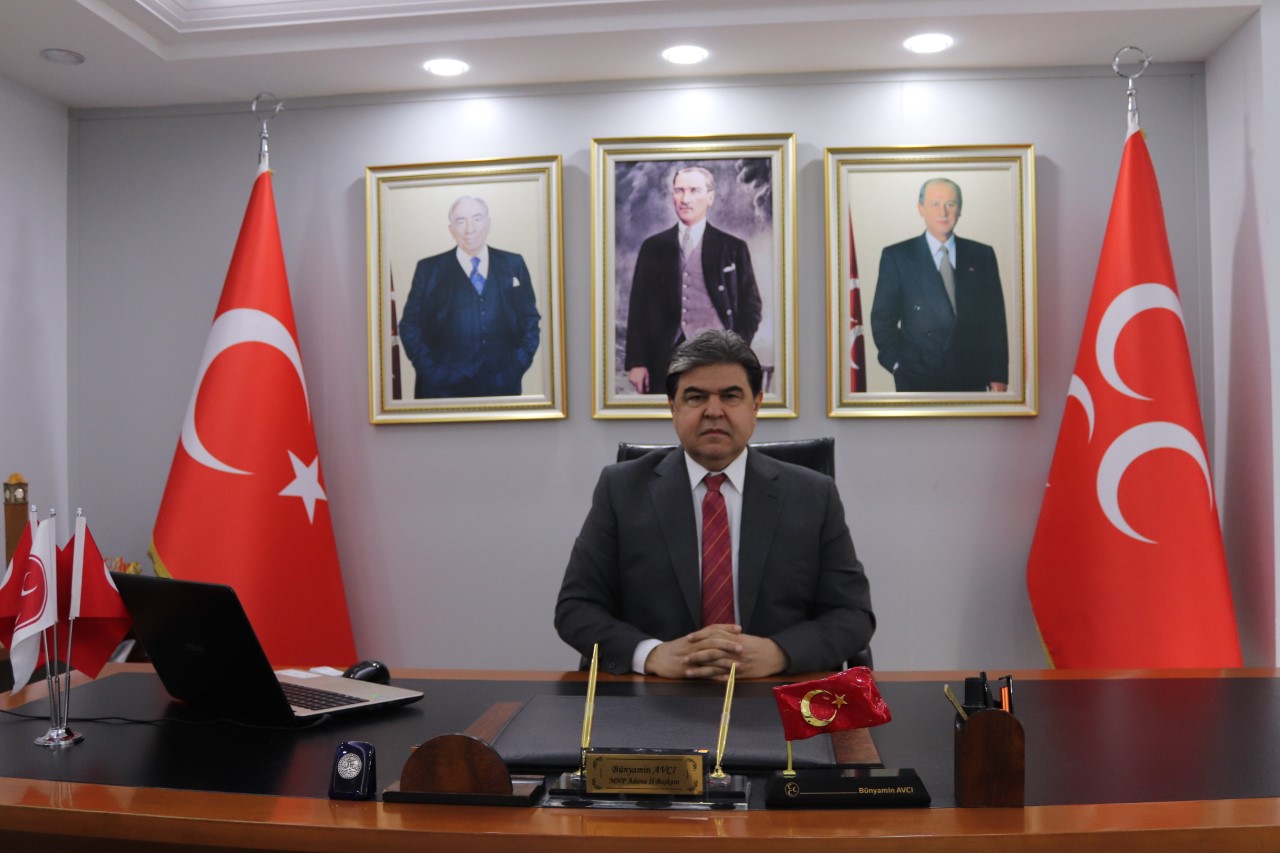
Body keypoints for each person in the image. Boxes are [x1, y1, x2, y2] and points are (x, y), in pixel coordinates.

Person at [555, 330, 874, 679]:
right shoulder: (621, 489)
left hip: (777, 692)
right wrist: (651, 655)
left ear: (756, 405)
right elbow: (576, 608)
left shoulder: (813, 494)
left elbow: (852, 615)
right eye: (695, 397)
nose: (713, 411)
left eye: (730, 396)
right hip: (657, 695)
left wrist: (780, 653)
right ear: (673, 408)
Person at [623, 166, 764, 394]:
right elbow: (639, 309)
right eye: (679, 191)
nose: (685, 199)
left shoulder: (733, 248)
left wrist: (735, 350)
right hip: (664, 359)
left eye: (694, 190)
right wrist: (637, 362)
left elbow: (752, 308)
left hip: (719, 359)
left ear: (710, 197)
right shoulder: (653, 247)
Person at [869, 178, 1009, 392]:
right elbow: (882, 319)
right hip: (918, 379)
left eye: (950, 204)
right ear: (920, 208)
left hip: (970, 379)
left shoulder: (981, 255)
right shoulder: (898, 256)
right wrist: (898, 365)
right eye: (935, 204)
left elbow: (995, 321)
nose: (943, 212)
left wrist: (998, 375)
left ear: (960, 209)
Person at [399, 196, 541, 398]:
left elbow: (530, 319)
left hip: (502, 383)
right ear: (451, 229)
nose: (470, 229)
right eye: (461, 221)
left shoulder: (513, 263)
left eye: (477, 218)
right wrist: (431, 371)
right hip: (441, 388)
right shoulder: (429, 269)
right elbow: (409, 325)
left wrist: (518, 364)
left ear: (488, 223)